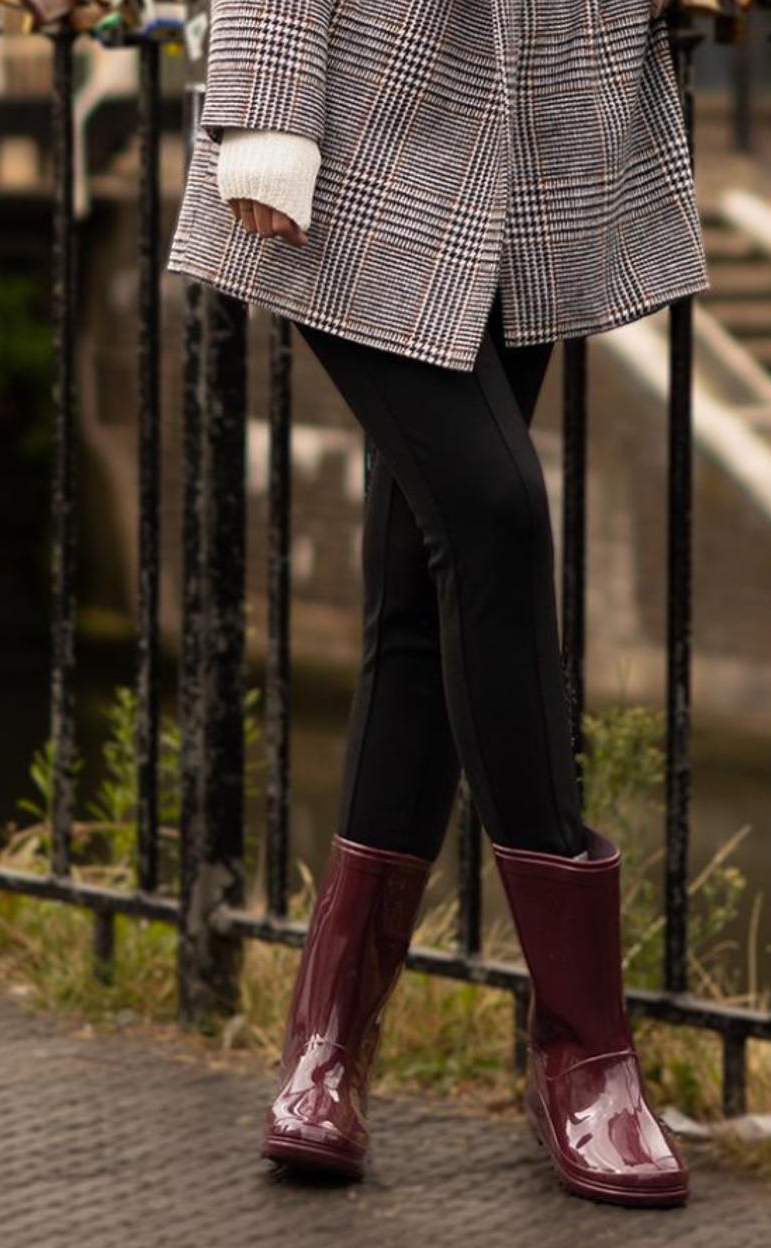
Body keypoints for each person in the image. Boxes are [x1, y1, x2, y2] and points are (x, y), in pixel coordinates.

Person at [164, 0, 710, 1210]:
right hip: (369, 116)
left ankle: (329, 1048)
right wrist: (262, 100)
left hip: (549, 114)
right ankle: (586, 1051)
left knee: (422, 586)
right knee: (496, 514)